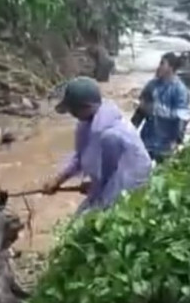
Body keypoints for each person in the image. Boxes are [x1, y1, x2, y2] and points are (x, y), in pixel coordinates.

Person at [42, 77, 152, 215]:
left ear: (86, 107)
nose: (72, 114)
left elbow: (111, 177)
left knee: (85, 222)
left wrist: (94, 186)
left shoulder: (111, 135)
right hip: (108, 183)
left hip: (127, 188)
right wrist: (58, 179)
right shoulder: (86, 124)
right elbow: (80, 158)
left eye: (73, 110)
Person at [131, 52, 190, 163]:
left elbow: (182, 118)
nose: (158, 67)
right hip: (146, 141)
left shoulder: (180, 90)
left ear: (171, 68)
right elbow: (140, 111)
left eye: (162, 64)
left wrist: (177, 142)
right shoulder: (151, 85)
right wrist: (130, 131)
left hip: (166, 145)